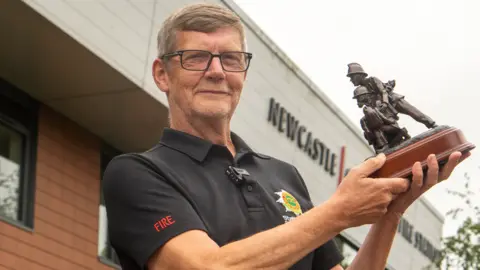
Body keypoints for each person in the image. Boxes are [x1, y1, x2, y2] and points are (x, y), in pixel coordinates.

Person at [102, 3, 467, 270]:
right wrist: (336, 213)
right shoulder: (137, 175)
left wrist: (390, 212)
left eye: (230, 59)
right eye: (196, 57)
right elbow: (206, 267)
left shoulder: (283, 175)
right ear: (163, 74)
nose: (216, 72)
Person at [346, 62, 437, 129]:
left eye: (352, 77)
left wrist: (385, 103)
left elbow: (383, 91)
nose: (351, 80)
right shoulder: (361, 90)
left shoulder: (372, 80)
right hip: (385, 109)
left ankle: (432, 124)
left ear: (359, 75)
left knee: (414, 113)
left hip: (393, 100)